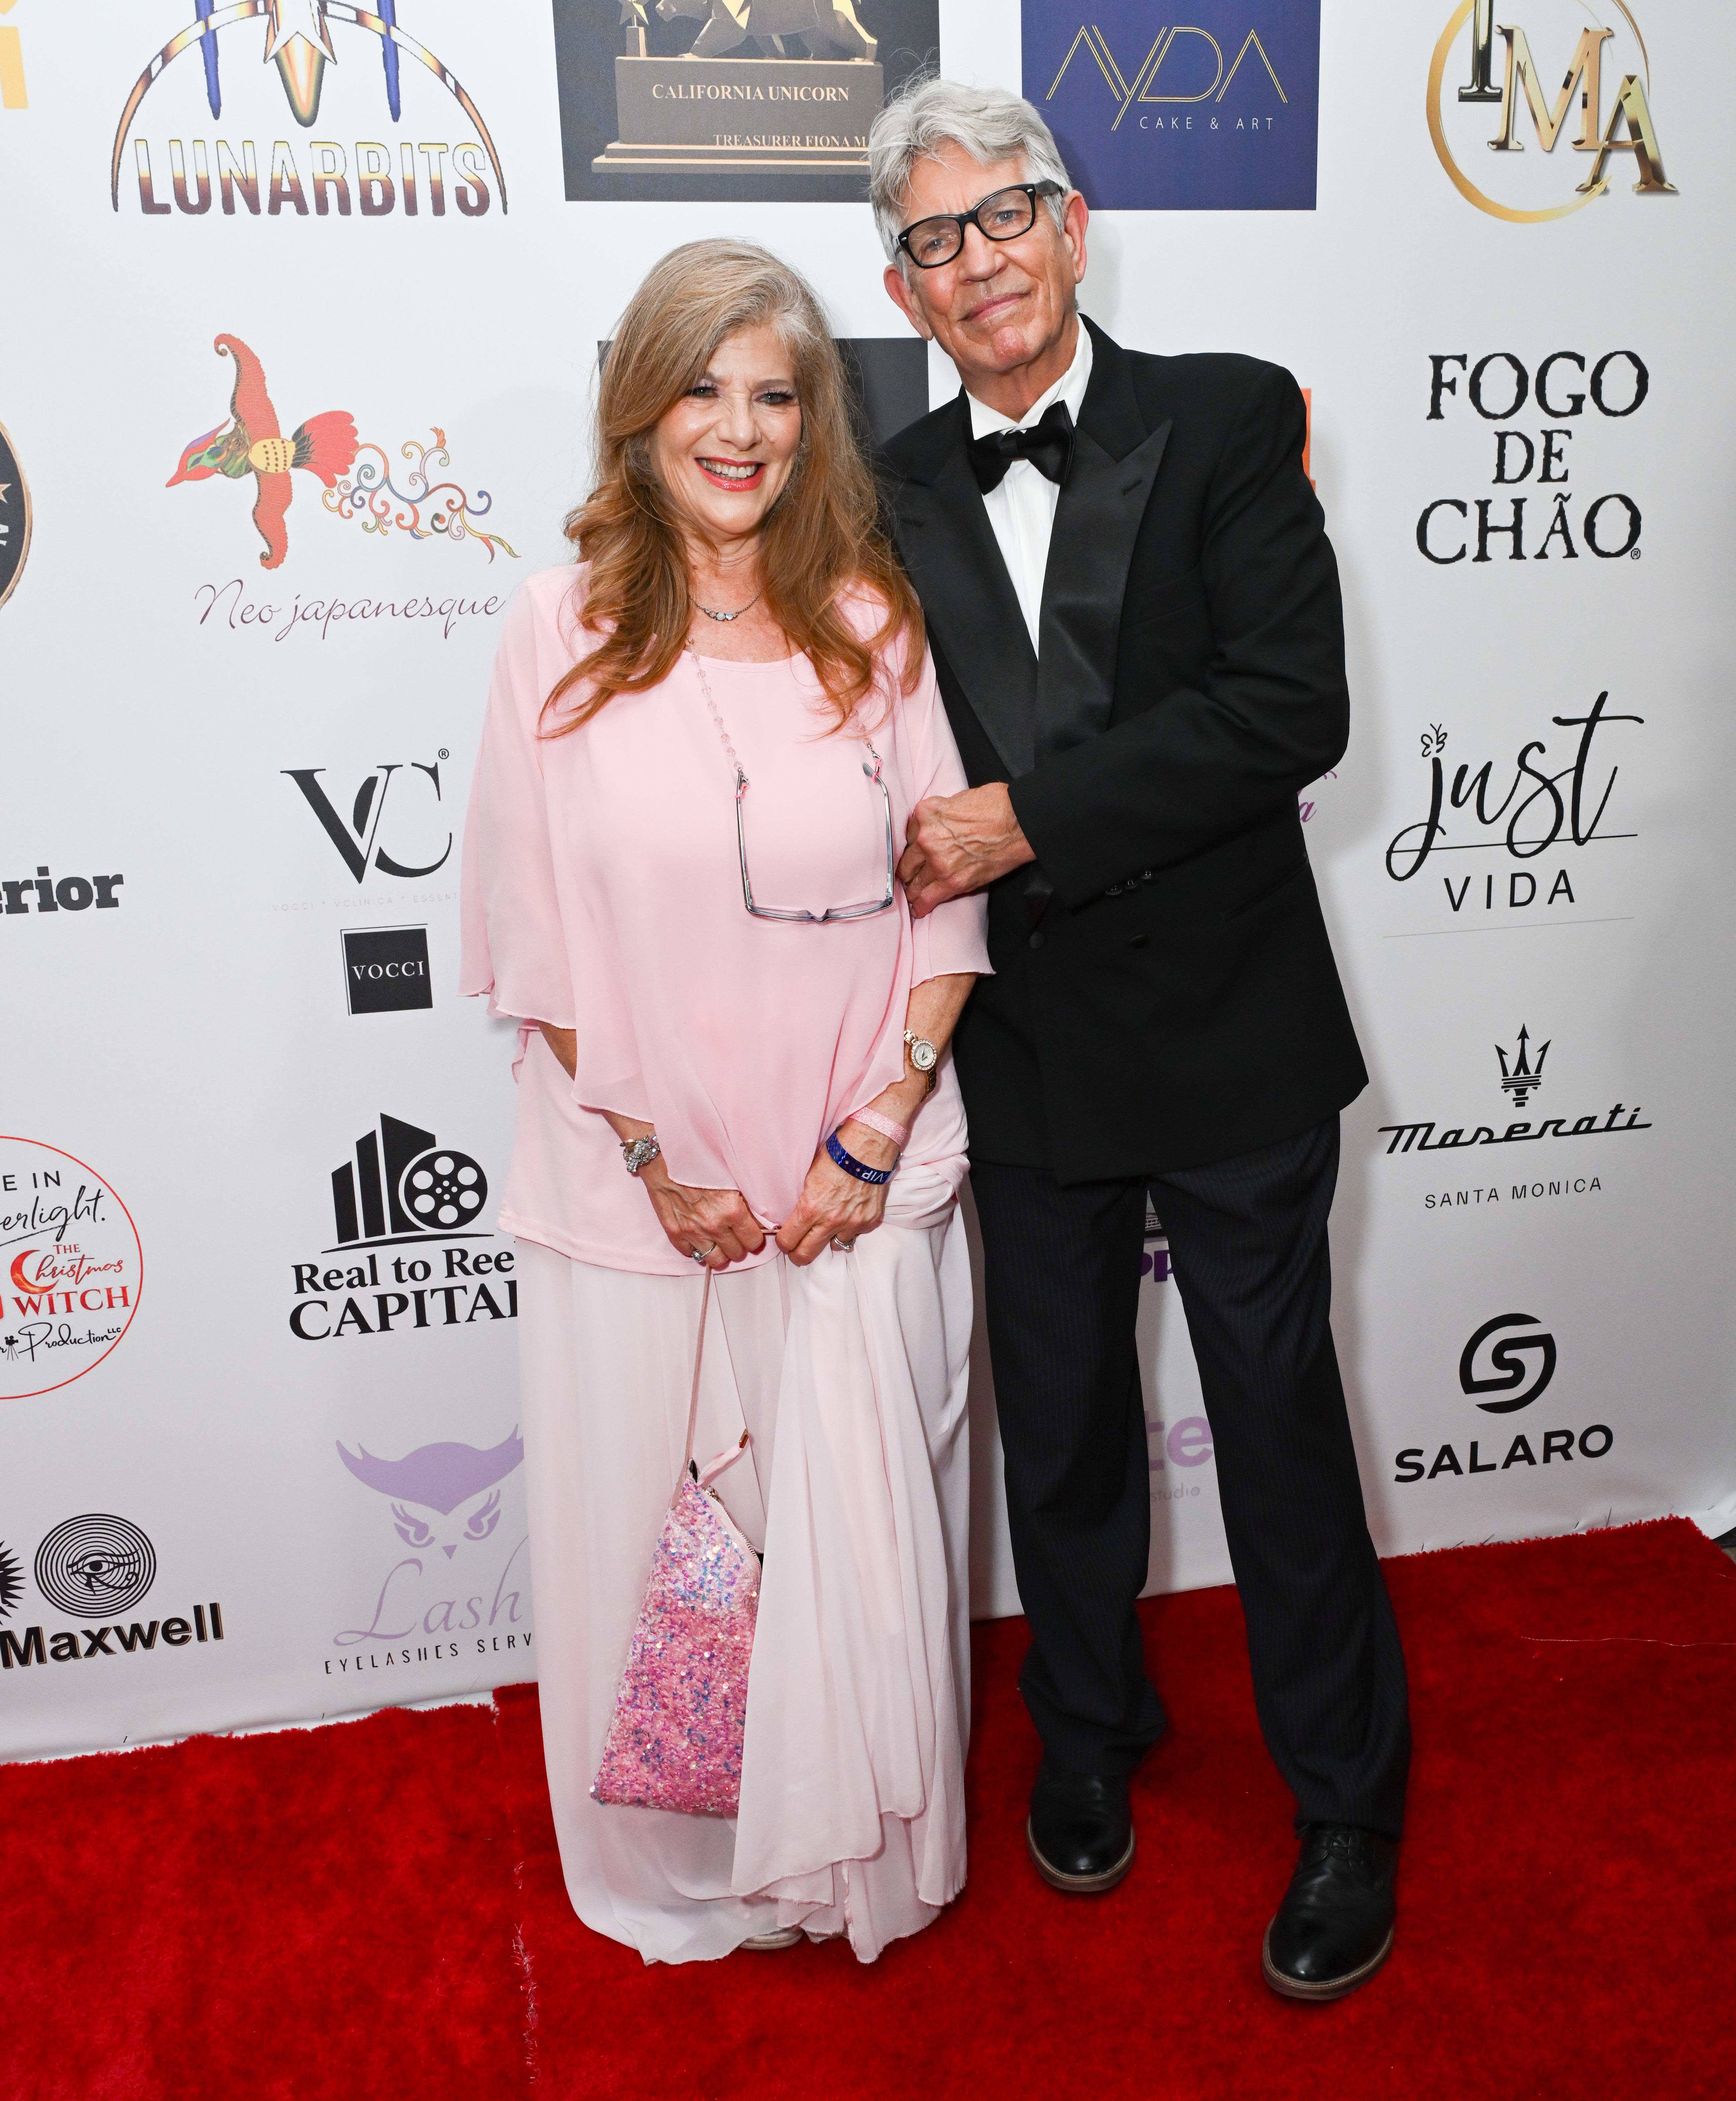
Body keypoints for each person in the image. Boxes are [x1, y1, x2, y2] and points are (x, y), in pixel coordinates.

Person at [867, 78, 1411, 2001]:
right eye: (934, 239)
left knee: (1275, 1421)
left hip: (1237, 1025)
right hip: (1022, 1048)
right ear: (904, 286)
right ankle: (1089, 1732)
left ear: (1072, 221)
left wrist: (1034, 817)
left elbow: (1291, 710)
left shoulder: (1230, 413)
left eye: (1002, 214)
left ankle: (1348, 1802)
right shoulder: (881, 490)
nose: (979, 260)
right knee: (1068, 1423)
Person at [459, 239, 987, 1965]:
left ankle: (850, 1853)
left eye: (775, 392)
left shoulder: (871, 623)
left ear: (815, 420)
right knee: (656, 1549)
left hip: (856, 1179)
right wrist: (657, 1161)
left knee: (866, 1536)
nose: (739, 427)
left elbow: (948, 903)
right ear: (640, 411)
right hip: (647, 1194)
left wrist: (877, 1127)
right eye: (702, 386)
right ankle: (693, 1864)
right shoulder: (561, 628)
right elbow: (527, 938)